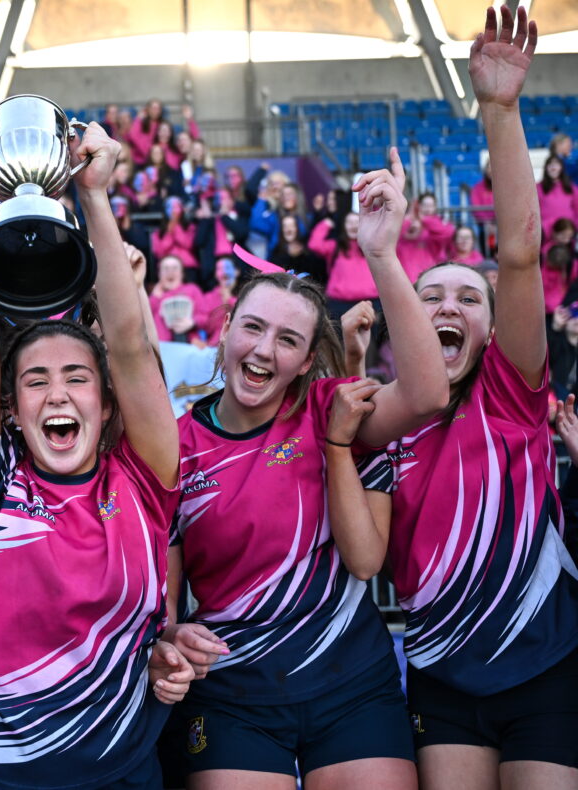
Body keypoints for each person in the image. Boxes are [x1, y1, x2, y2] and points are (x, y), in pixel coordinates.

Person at [156, 144, 449, 790]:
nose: (265, 350)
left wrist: (381, 254)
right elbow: (166, 605)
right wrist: (172, 636)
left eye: (288, 340)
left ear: (307, 359)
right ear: (225, 327)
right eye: (253, 328)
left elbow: (427, 393)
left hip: (351, 683)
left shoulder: (327, 409)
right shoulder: (176, 445)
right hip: (233, 690)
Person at [0, 111, 187, 788]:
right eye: (35, 381)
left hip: (123, 769)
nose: (57, 394)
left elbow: (130, 348)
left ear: (106, 404)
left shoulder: (144, 479)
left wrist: (96, 194)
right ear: (12, 410)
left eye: (77, 377)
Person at [380, 10, 578, 788]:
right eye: (430, 295)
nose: (449, 306)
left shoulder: (512, 391)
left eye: (469, 297)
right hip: (440, 674)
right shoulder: (378, 415)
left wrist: (499, 111)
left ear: (494, 329)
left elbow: (521, 254)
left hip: (545, 665)